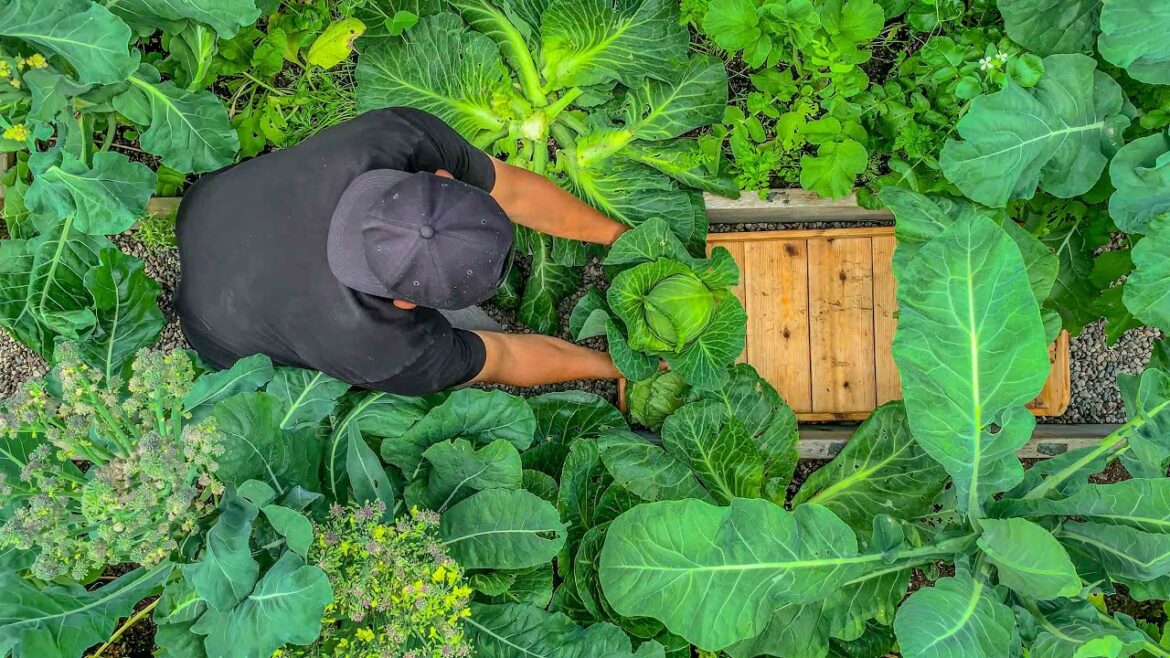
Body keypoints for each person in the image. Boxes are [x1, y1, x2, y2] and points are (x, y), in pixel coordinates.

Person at [176, 107, 626, 395]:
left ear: (442, 179)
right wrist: (614, 365)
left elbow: (515, 192)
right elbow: (504, 356)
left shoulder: (391, 139)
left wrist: (620, 237)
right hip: (216, 329)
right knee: (479, 329)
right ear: (407, 303)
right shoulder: (381, 348)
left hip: (208, 207)